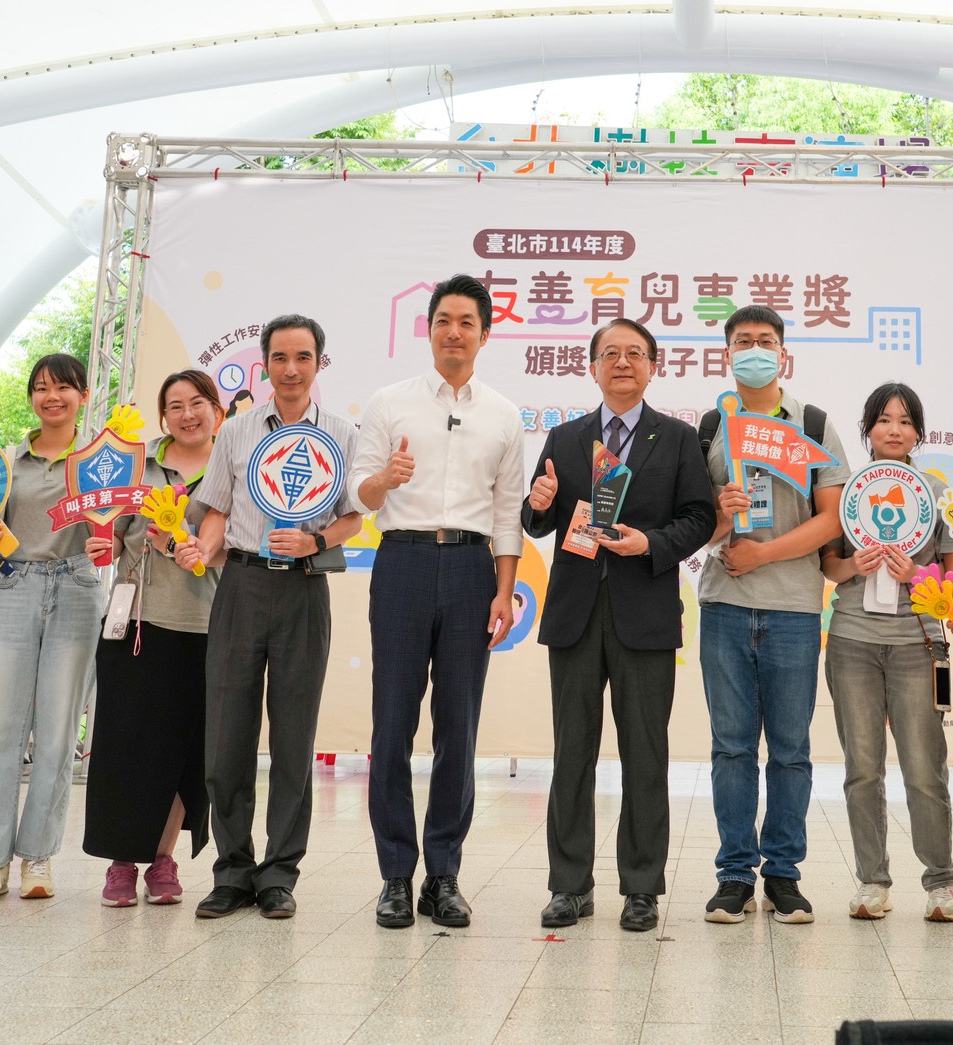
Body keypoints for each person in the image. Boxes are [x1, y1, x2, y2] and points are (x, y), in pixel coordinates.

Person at [521, 318, 715, 933]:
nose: (623, 362)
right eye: (611, 354)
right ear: (593, 367)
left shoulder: (677, 439)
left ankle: (641, 887)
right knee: (570, 753)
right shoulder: (565, 436)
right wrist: (538, 505)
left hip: (646, 614)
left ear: (654, 366)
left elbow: (700, 518)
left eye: (635, 354)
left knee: (645, 752)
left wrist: (650, 544)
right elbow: (535, 520)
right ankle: (569, 886)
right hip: (575, 615)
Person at [348, 274, 526, 929]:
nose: (454, 331)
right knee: (391, 723)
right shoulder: (389, 402)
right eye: (443, 320)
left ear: (484, 332)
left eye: (466, 322)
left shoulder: (503, 414)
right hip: (401, 561)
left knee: (459, 728)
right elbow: (356, 493)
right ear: (428, 329)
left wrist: (504, 588)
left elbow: (507, 509)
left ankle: (442, 875)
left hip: (473, 570)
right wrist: (381, 479)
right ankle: (395, 875)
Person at [183, 316, 362, 920]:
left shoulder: (341, 433)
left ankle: (281, 871)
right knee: (227, 733)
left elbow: (352, 519)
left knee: (294, 736)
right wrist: (202, 550)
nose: (291, 368)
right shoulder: (235, 432)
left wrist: (316, 541)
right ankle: (232, 869)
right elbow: (215, 510)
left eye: (303, 357)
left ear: (319, 364)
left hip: (306, 591)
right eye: (280, 357)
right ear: (264, 365)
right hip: (241, 583)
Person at [698, 304, 851, 925]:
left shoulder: (813, 423)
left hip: (792, 608)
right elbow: (693, 524)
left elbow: (833, 515)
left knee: (790, 750)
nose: (753, 350)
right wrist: (723, 515)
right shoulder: (711, 425)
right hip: (725, 607)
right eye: (742, 342)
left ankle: (783, 875)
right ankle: (734, 875)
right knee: (731, 749)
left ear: (782, 355)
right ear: (727, 355)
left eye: (764, 341)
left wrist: (766, 552)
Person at [820, 383, 953, 923]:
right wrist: (852, 566)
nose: (894, 429)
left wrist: (917, 575)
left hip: (919, 641)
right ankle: (872, 881)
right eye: (883, 420)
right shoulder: (847, 492)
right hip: (851, 640)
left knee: (923, 769)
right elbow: (830, 566)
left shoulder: (938, 496)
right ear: (867, 429)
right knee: (862, 768)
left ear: (918, 431)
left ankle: (941, 882)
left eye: (905, 420)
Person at [0, 353, 107, 904]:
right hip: (12, 588)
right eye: (41, 388)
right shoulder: (4, 461)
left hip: (76, 590)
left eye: (63, 388)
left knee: (56, 733)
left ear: (84, 395)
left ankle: (38, 859)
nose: (52, 397)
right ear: (31, 399)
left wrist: (108, 538)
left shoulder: (100, 461)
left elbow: (116, 527)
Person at [84, 369, 224, 907]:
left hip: (208, 624)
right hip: (135, 623)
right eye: (175, 406)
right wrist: (102, 541)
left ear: (216, 408)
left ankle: (162, 859)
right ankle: (122, 861)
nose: (187, 414)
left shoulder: (235, 467)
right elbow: (110, 536)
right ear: (163, 416)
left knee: (185, 753)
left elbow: (237, 546)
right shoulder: (134, 464)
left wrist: (185, 543)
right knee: (125, 746)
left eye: (197, 403)